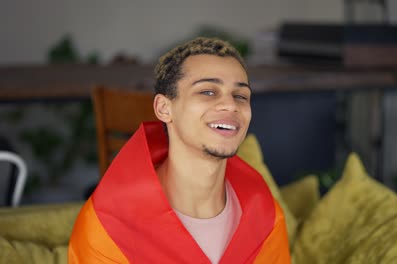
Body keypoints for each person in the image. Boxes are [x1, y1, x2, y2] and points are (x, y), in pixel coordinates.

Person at [68, 37, 290, 263]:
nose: (231, 105)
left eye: (241, 96)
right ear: (164, 108)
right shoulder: (108, 226)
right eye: (208, 92)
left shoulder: (265, 214)